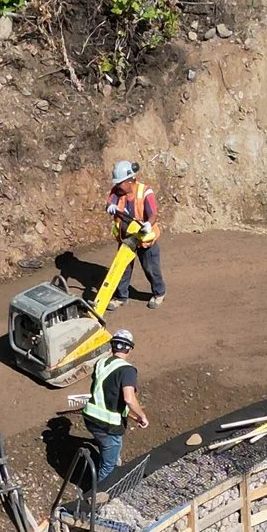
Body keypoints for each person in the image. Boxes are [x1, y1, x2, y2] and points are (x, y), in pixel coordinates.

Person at [80, 330, 149, 484]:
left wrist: (132, 416)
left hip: (91, 418)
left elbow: (108, 393)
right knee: (108, 467)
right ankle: (102, 494)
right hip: (108, 426)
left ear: (112, 346)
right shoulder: (127, 370)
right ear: (129, 349)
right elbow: (128, 398)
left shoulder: (101, 363)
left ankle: (111, 457)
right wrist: (142, 415)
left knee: (108, 448)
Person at [104, 159, 166, 310]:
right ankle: (121, 297)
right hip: (126, 238)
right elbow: (110, 202)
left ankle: (159, 293)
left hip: (144, 239)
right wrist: (110, 206)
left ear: (129, 181)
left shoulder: (145, 192)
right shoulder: (117, 192)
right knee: (122, 268)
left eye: (120, 183)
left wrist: (148, 224)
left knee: (151, 268)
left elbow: (153, 214)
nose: (117, 186)